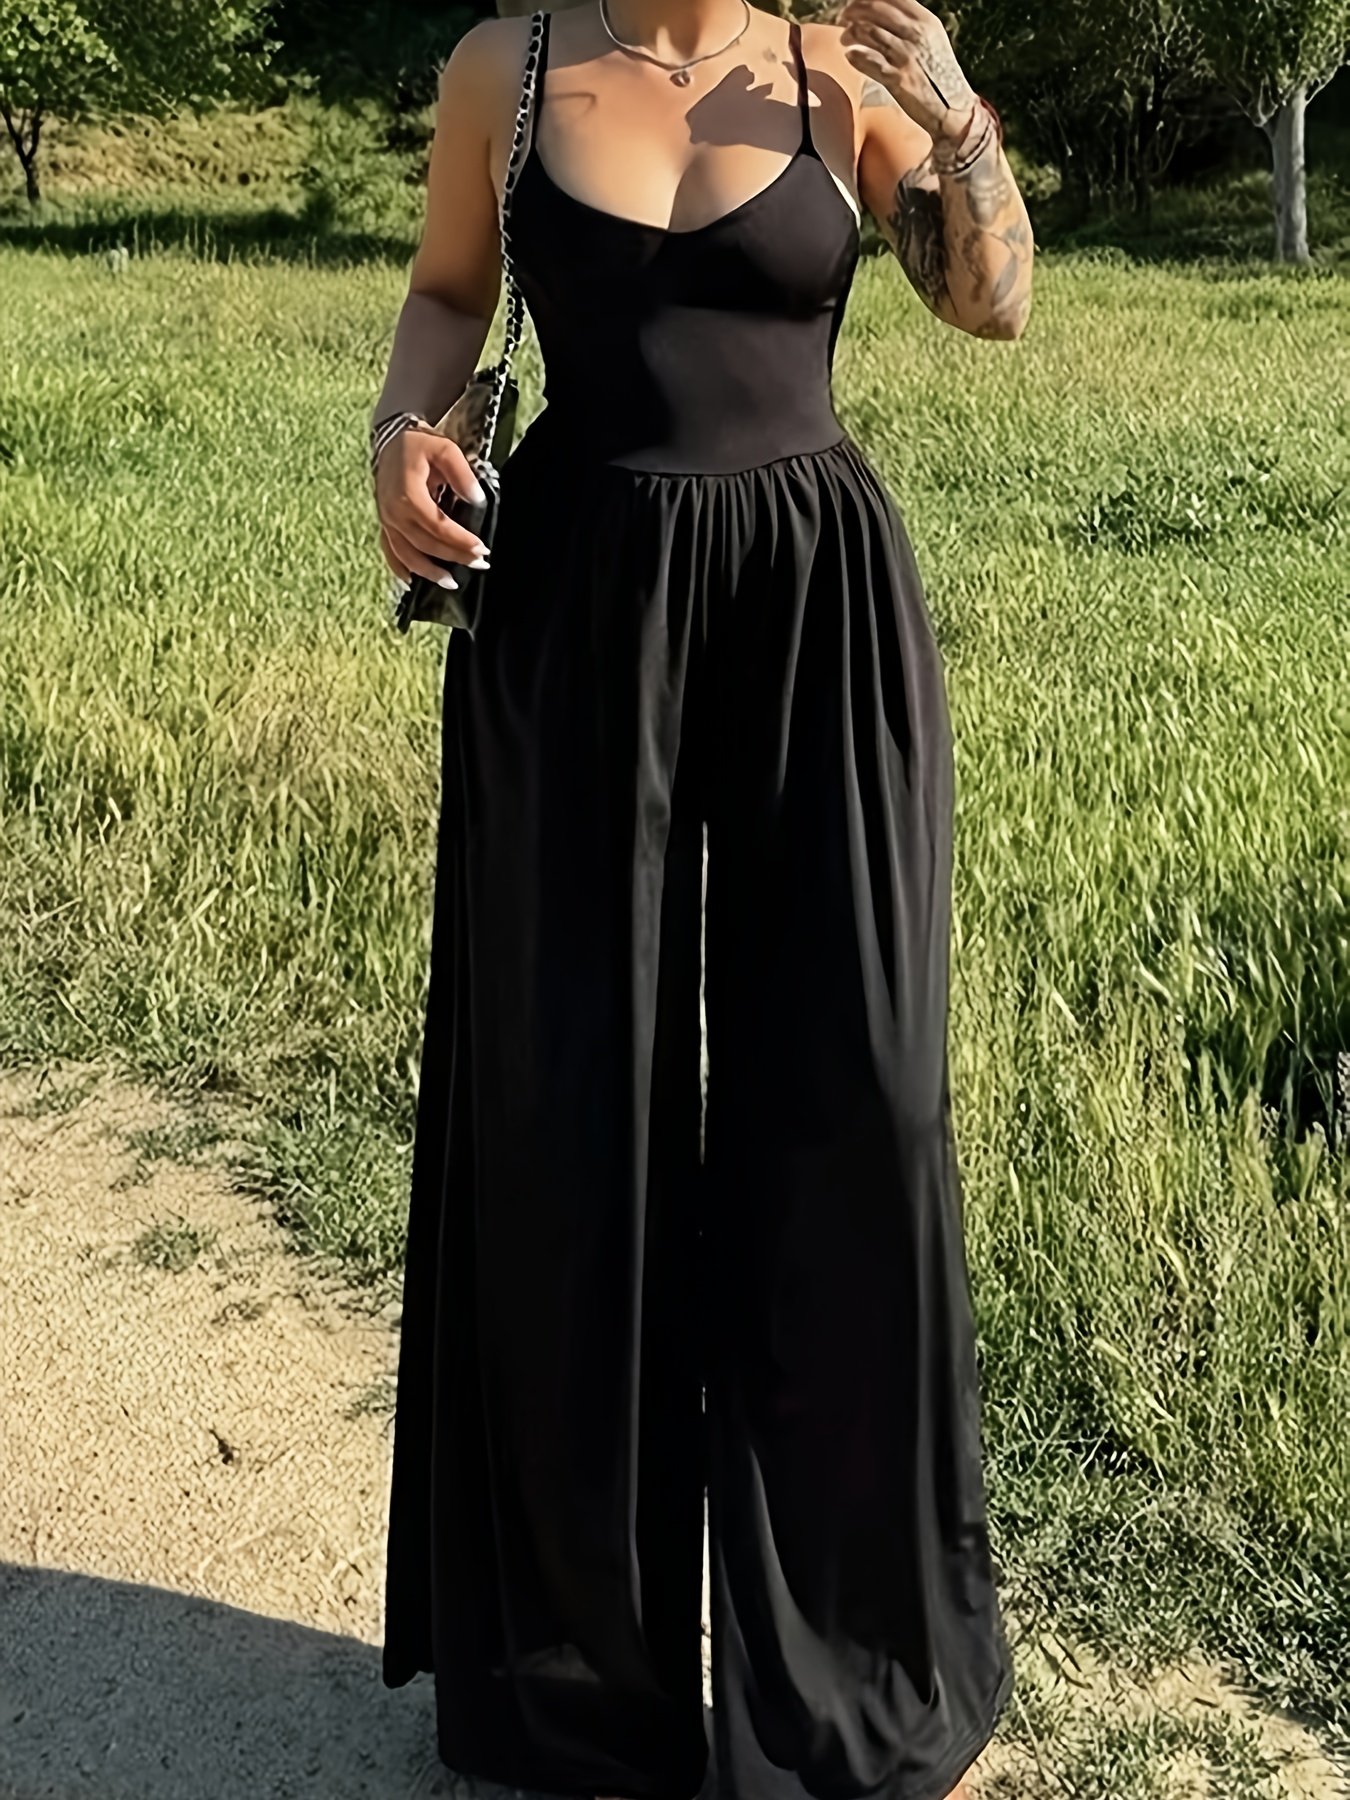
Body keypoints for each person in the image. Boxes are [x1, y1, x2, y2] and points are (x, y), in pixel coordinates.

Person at [370, 1, 1033, 1797]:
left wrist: (955, 119)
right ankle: (583, 1684)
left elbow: (991, 302)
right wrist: (399, 433)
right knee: (572, 1118)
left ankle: (854, 1668)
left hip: (815, 613)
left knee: (863, 1104)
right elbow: (446, 294)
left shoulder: (835, 67)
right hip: (575, 620)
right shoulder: (505, 71)